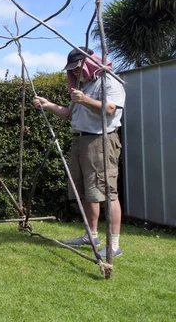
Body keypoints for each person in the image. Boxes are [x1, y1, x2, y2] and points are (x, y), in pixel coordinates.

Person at [33, 47, 125, 258]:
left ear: (90, 63)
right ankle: (90, 235)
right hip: (80, 141)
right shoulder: (85, 86)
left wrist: (84, 99)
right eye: (72, 70)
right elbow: (68, 114)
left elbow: (110, 109)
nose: (75, 73)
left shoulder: (109, 81)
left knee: (108, 193)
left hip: (101, 141)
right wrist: (48, 105)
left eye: (77, 68)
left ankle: (114, 245)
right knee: (85, 191)